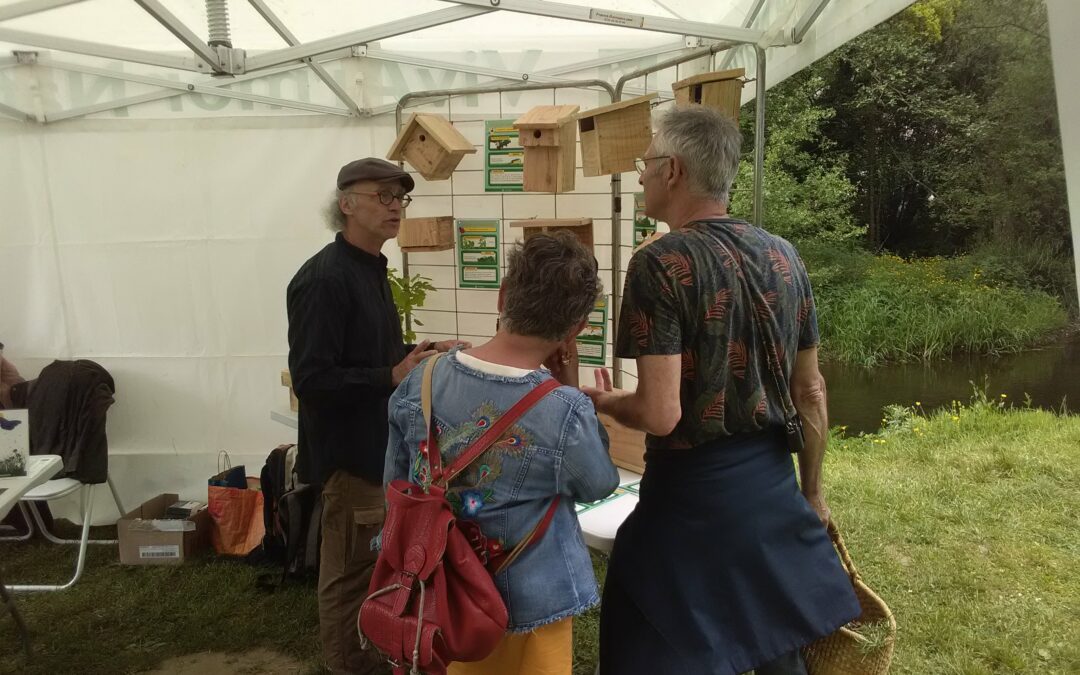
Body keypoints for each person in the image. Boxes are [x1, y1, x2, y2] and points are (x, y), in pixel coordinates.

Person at [584, 106, 860, 675]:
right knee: (772, 639)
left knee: (649, 636)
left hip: (691, 504)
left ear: (675, 170)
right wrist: (812, 492)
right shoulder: (785, 256)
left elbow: (660, 414)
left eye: (647, 162)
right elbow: (810, 391)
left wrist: (606, 403)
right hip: (771, 494)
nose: (641, 175)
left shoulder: (659, 263)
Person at [384, 232, 620, 675]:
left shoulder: (423, 379)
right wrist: (571, 387)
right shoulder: (562, 408)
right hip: (528, 603)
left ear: (503, 296)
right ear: (576, 329)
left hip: (436, 591)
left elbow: (396, 483)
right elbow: (598, 482)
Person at [286, 157, 468, 675]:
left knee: (374, 567)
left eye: (401, 198)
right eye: (383, 196)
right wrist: (389, 375)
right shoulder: (325, 280)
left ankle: (373, 654)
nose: (395, 207)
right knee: (347, 574)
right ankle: (345, 665)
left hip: (380, 453)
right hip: (349, 458)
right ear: (347, 204)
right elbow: (312, 379)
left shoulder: (369, 269)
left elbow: (371, 354)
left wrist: (421, 350)